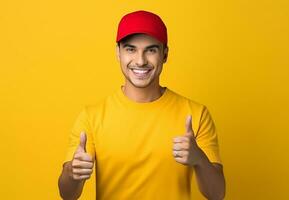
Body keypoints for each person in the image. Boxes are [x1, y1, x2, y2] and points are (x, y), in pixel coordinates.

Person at [58, 10, 225, 200]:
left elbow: (217, 194)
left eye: (151, 50)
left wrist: (200, 159)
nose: (140, 60)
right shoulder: (91, 116)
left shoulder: (195, 114)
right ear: (118, 53)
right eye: (131, 49)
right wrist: (73, 172)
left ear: (165, 54)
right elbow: (67, 195)